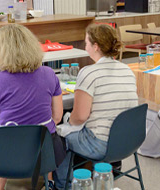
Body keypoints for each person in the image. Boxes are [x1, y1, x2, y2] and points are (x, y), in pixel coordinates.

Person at [58, 24, 137, 179]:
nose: (85, 46)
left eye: (86, 43)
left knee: (59, 136)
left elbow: (79, 117)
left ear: (95, 46)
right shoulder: (126, 70)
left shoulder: (89, 73)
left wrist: (67, 120)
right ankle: (105, 168)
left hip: (101, 144)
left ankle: (62, 184)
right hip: (129, 140)